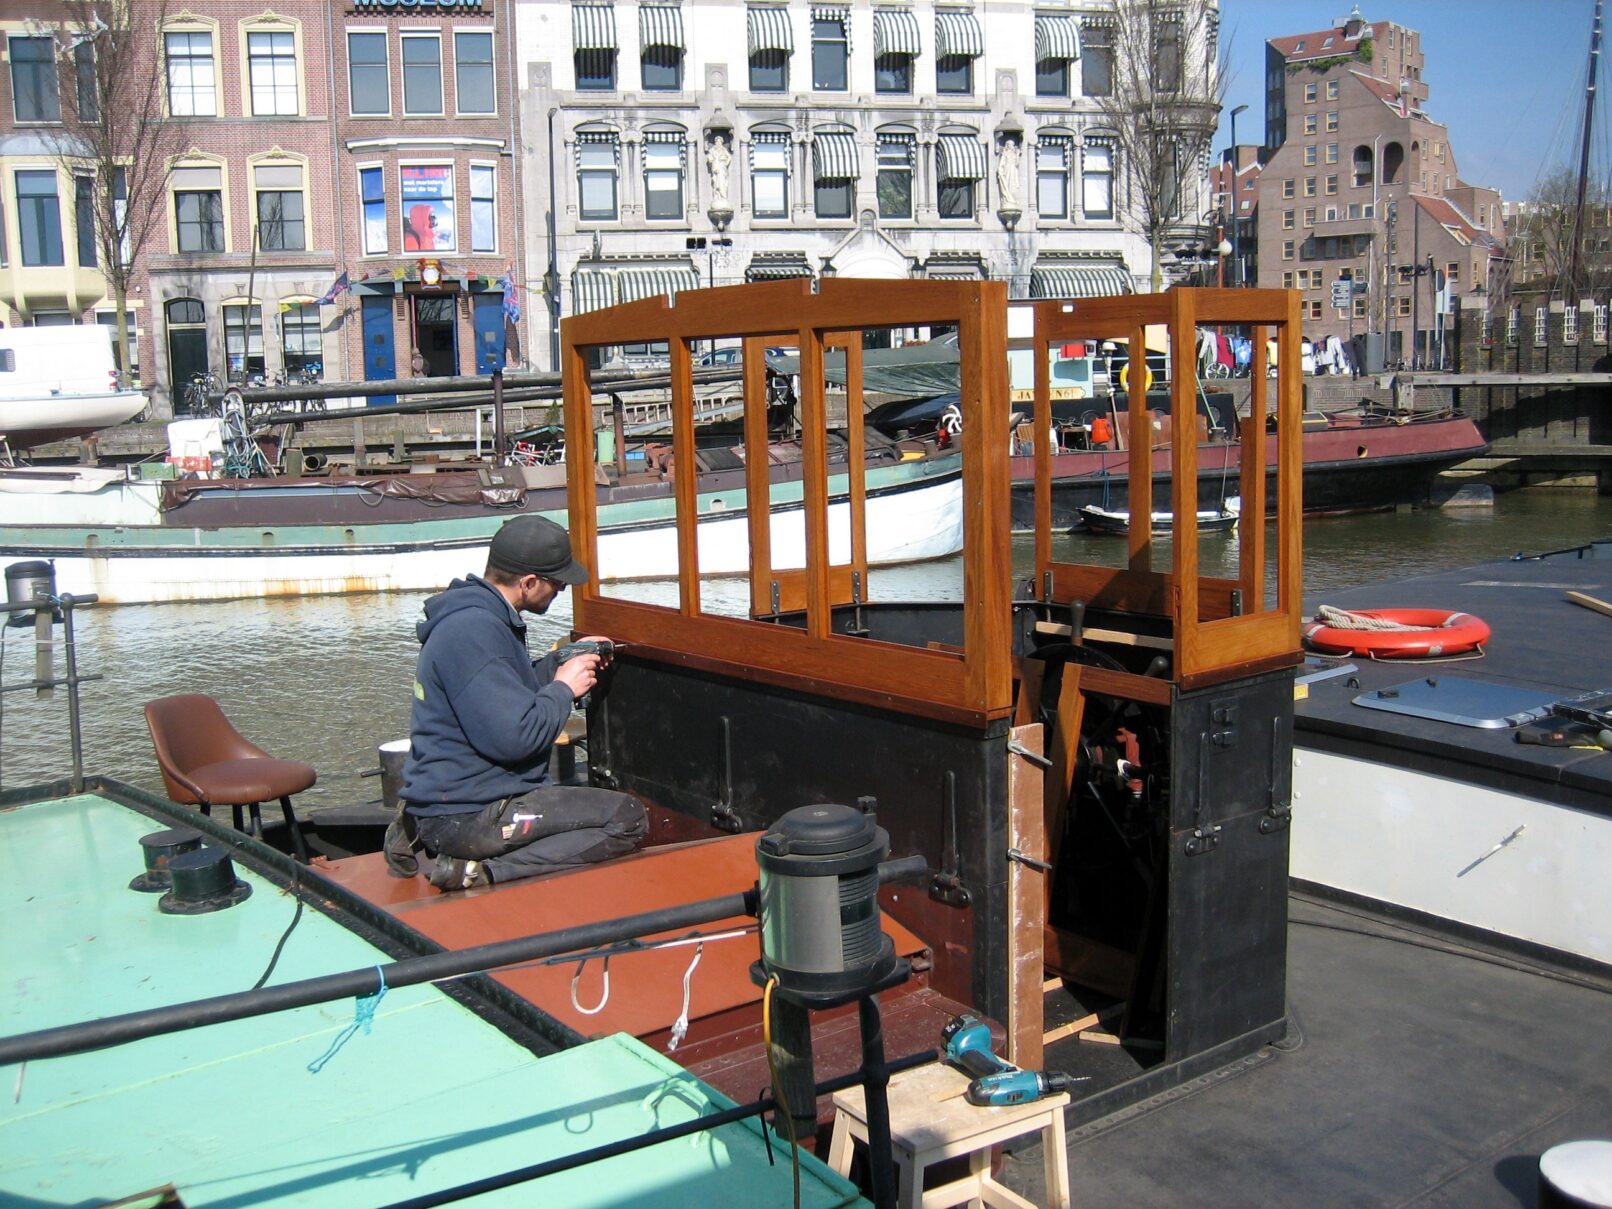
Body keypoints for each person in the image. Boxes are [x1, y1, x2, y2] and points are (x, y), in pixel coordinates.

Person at [385, 515, 649, 891]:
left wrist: (561, 662)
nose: (559, 591)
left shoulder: (478, 616)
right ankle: (476, 872)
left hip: (454, 801)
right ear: (529, 583)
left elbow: (503, 692)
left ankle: (418, 827)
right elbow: (516, 737)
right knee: (626, 818)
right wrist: (564, 689)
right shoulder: (474, 631)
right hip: (470, 815)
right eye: (557, 584)